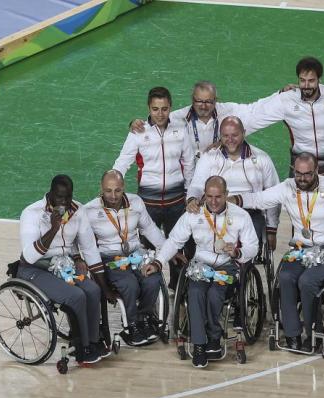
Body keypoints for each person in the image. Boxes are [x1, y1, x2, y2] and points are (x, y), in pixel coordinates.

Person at [231, 152, 324, 350]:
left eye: (307, 174)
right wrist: (230, 199)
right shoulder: (287, 187)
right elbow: (258, 199)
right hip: (300, 249)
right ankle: (292, 334)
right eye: (298, 174)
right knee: (285, 277)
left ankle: (314, 332)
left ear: (316, 170)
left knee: (307, 281)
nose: (302, 179)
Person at [141, 176, 259, 368]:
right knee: (195, 292)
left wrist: (238, 252)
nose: (213, 201)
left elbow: (253, 246)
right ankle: (199, 345)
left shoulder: (241, 216)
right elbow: (174, 241)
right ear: (204, 195)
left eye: (218, 197)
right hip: (201, 264)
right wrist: (158, 262)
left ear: (226, 195)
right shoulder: (193, 215)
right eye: (209, 196)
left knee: (214, 294)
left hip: (227, 264)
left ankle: (213, 337)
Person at [18, 175, 115, 364]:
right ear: (51, 194)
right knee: (75, 296)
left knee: (93, 290)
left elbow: (90, 248)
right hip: (35, 269)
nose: (64, 202)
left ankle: (93, 341)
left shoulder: (78, 211)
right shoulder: (31, 213)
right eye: (59, 197)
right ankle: (81, 347)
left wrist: (103, 285)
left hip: (63, 266)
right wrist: (54, 228)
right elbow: (29, 256)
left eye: (68, 197)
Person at [85, 170, 183, 345]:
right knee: (129, 284)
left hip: (136, 255)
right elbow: (85, 245)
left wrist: (168, 250)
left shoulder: (136, 202)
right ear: (101, 188)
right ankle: (131, 325)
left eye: (117, 190)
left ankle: (143, 317)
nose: (113, 196)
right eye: (108, 190)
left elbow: (149, 228)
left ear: (124, 187)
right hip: (111, 259)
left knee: (152, 280)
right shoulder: (90, 211)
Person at [113, 86, 195, 288]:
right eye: (155, 109)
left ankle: (178, 290)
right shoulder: (138, 132)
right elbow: (123, 162)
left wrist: (190, 194)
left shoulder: (180, 129)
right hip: (148, 204)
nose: (160, 114)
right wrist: (112, 184)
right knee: (146, 250)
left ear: (170, 107)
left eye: (164, 109)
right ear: (148, 108)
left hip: (177, 202)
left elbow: (189, 164)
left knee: (179, 247)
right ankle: (149, 292)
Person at [186, 116, 280, 253]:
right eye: (225, 136)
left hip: (249, 213)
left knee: (247, 248)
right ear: (220, 136)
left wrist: (272, 230)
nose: (230, 140)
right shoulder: (208, 157)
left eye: (234, 135)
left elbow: (273, 195)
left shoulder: (262, 159)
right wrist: (192, 199)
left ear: (244, 133)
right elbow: (196, 186)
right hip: (214, 212)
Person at [129, 80, 269, 164]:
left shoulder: (228, 110)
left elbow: (255, 109)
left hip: (219, 169)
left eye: (208, 101)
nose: (203, 106)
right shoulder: (179, 117)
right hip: (189, 174)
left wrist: (280, 95)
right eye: (199, 101)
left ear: (216, 100)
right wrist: (135, 123)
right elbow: (156, 121)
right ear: (192, 99)